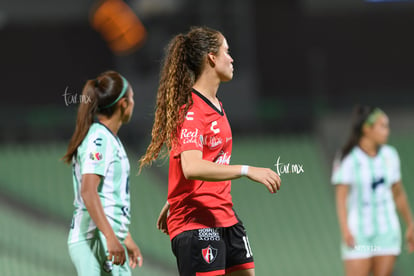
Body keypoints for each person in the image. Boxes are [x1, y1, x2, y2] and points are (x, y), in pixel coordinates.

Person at [139, 26, 281, 276]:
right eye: (227, 51)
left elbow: (201, 158)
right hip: (197, 223)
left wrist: (173, 197)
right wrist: (247, 170)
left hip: (225, 216)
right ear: (212, 58)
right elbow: (192, 167)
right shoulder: (192, 111)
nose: (232, 58)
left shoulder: (215, 105)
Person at [63, 70, 143, 275]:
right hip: (95, 237)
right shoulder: (99, 138)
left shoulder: (108, 138)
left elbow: (109, 198)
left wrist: (126, 238)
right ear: (123, 104)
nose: (134, 103)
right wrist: (110, 237)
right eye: (132, 98)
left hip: (106, 235)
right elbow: (89, 191)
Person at [332, 105, 414, 276]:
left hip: (387, 232)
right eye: (383, 126)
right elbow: (341, 198)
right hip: (358, 234)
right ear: (367, 129)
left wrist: (410, 223)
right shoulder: (347, 158)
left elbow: (398, 193)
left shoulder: (390, 155)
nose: (387, 131)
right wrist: (345, 229)